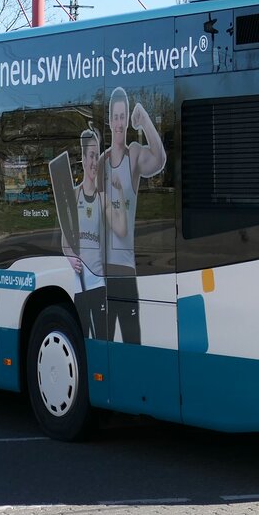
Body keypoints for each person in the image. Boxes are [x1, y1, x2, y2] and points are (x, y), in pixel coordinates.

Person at [102, 87, 166, 345]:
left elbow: (160, 159)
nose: (119, 123)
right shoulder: (103, 160)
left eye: (123, 116)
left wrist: (146, 119)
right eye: (115, 117)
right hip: (102, 270)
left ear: (127, 118)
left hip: (126, 270)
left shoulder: (134, 154)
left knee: (132, 341)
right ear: (109, 121)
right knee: (102, 343)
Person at [60, 127, 125, 339]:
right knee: (82, 336)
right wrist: (70, 257)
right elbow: (65, 241)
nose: (94, 161)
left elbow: (121, 229)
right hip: (79, 286)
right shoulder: (73, 196)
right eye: (91, 155)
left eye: (97, 156)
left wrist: (120, 193)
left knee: (101, 339)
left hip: (98, 283)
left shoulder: (103, 199)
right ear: (83, 158)